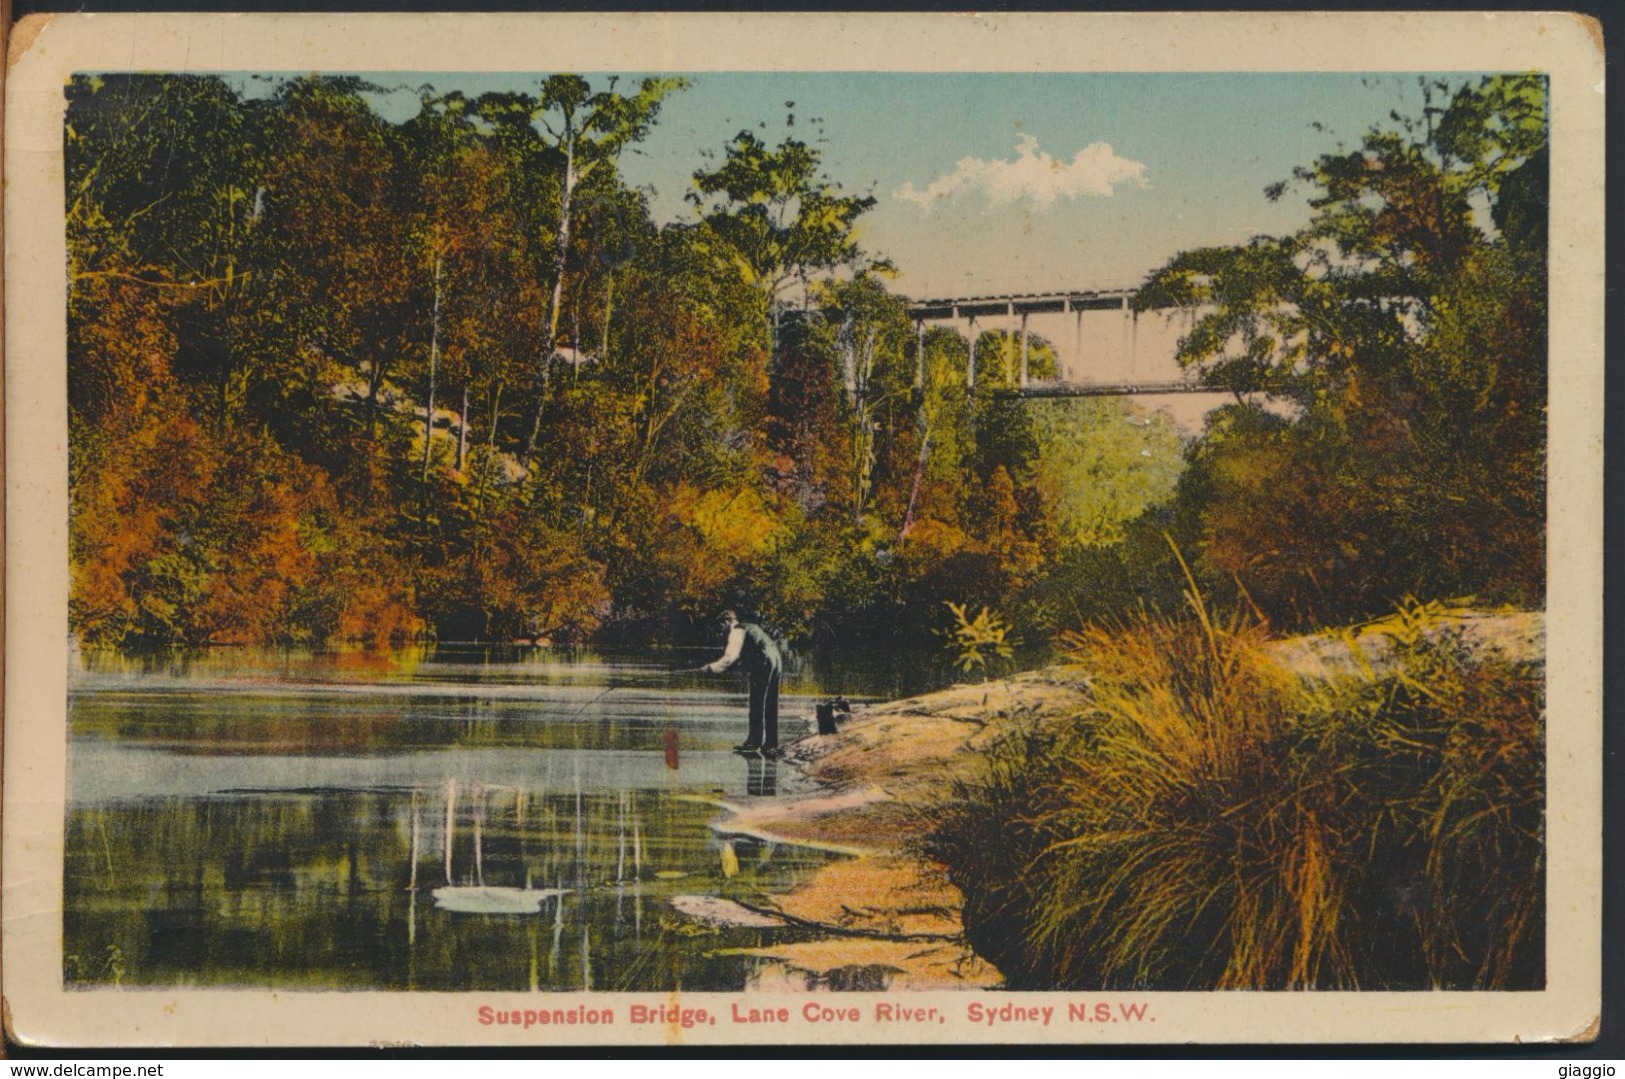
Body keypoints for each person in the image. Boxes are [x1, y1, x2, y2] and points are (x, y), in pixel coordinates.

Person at [702, 610, 783, 753]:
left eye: (720, 627)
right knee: (771, 703)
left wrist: (711, 668)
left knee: (756, 702)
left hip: (763, 661)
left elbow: (730, 658)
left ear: (727, 621)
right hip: (776, 659)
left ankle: (754, 742)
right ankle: (771, 743)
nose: (720, 632)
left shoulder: (736, 632)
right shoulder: (750, 627)